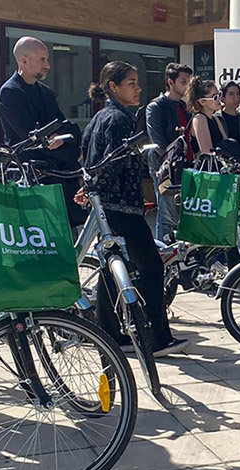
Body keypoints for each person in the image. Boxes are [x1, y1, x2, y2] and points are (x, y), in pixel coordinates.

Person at [79, 61, 188, 357]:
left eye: (138, 82)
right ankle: (157, 339)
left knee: (111, 270)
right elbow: (111, 163)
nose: (138, 88)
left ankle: (109, 335)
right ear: (112, 87)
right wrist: (95, 187)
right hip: (122, 208)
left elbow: (89, 162)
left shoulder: (99, 118)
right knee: (152, 267)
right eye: (131, 82)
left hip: (107, 208)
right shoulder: (119, 119)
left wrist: (89, 188)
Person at [0, 36, 86, 227]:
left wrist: (67, 144)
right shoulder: (10, 92)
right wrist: (71, 151)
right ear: (24, 60)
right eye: (42, 60)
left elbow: (66, 128)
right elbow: (33, 139)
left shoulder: (45, 92)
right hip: (33, 180)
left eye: (47, 59)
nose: (48, 66)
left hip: (59, 179)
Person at [145, 63, 193, 241]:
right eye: (183, 81)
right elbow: (158, 142)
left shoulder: (185, 107)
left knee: (185, 214)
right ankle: (164, 258)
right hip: (164, 167)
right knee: (167, 215)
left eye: (189, 81)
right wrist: (170, 162)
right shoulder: (156, 107)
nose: (187, 85)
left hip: (186, 167)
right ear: (170, 82)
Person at [185, 76, 227, 155]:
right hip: (206, 166)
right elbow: (207, 151)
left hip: (220, 165)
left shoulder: (215, 119)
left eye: (219, 94)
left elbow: (226, 143)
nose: (219, 99)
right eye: (215, 97)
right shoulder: (199, 119)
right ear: (203, 102)